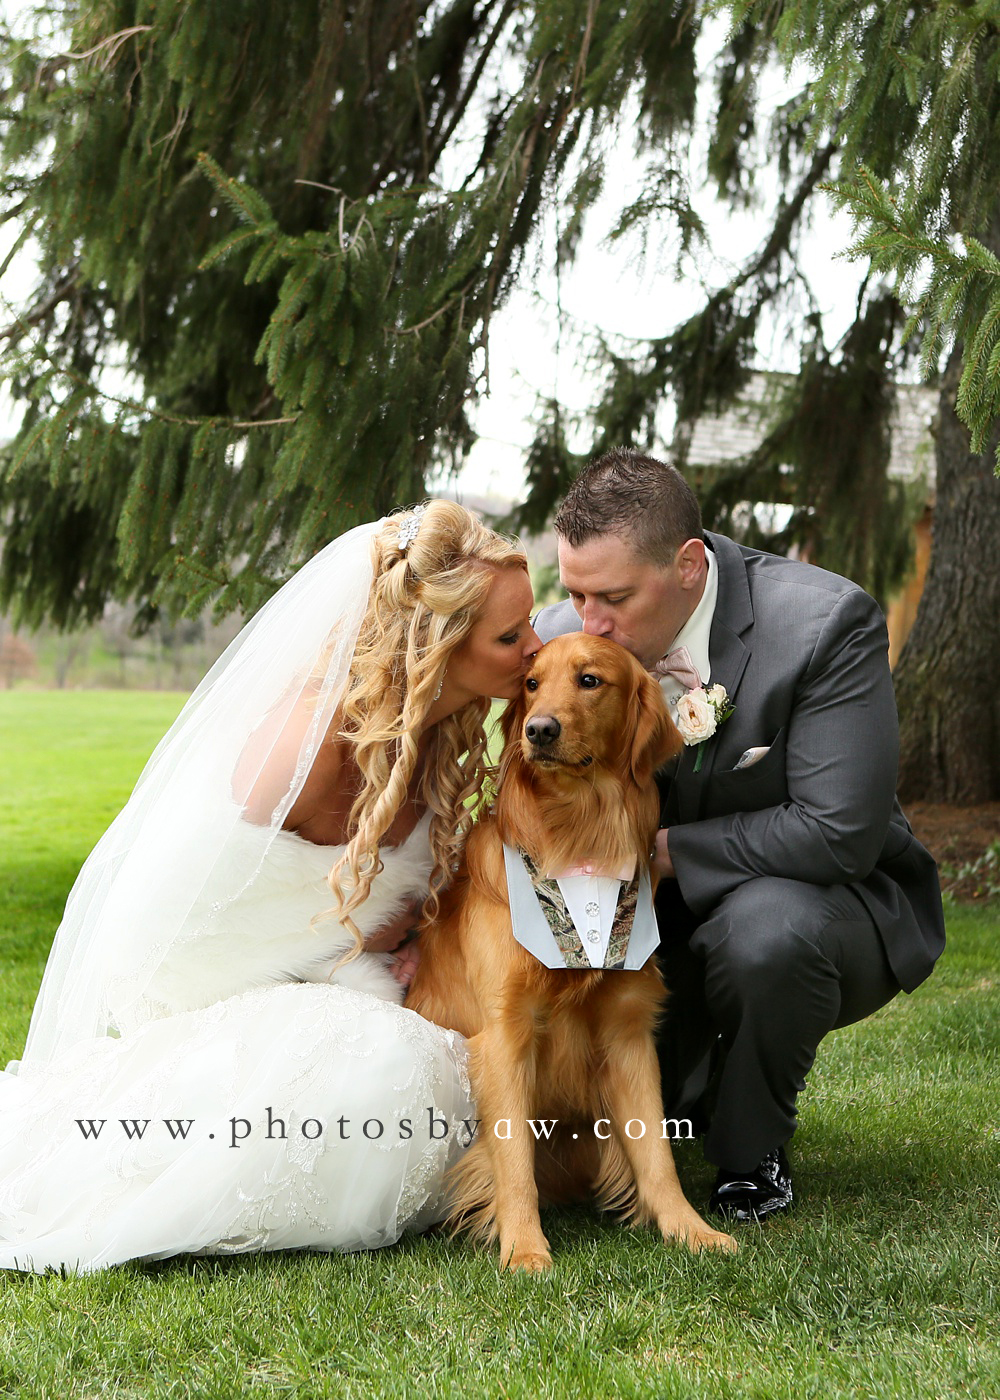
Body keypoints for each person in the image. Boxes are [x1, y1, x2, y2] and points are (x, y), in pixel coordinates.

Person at [0, 500, 540, 1273]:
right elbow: (177, 934)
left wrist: (412, 942)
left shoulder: (439, 736)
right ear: (436, 644)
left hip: (340, 978)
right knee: (388, 1074)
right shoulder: (299, 751)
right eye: (510, 637)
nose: (535, 649)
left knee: (454, 1061)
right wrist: (347, 956)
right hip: (202, 991)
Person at [534, 448, 945, 1222]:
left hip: (818, 906)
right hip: (638, 920)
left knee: (769, 934)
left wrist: (659, 855)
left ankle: (750, 1154)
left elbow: (838, 833)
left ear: (688, 565)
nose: (590, 624)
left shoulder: (825, 624)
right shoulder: (562, 637)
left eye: (614, 596)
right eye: (575, 593)